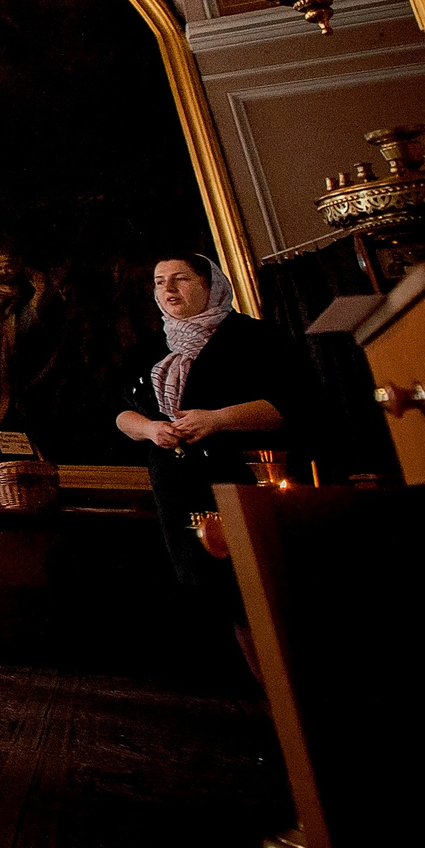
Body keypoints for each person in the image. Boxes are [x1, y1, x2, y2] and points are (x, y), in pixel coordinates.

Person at [114, 254, 312, 631]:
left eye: (180, 279)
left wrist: (217, 419)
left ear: (210, 285)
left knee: (264, 589)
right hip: (179, 489)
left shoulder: (255, 337)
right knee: (219, 596)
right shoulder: (149, 348)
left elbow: (291, 405)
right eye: (159, 281)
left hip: (245, 481)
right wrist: (152, 429)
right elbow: (119, 411)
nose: (168, 289)